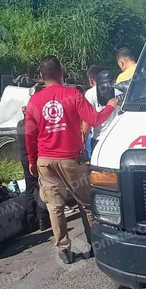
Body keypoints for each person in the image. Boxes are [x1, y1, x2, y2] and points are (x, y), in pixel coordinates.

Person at [25, 55, 118, 264]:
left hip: (45, 161)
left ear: (41, 76)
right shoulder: (73, 94)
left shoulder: (34, 101)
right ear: (61, 72)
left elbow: (29, 135)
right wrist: (110, 105)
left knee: (55, 206)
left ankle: (64, 249)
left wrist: (32, 161)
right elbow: (93, 120)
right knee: (85, 203)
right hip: (70, 160)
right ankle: (95, 243)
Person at [16, 105, 51, 232]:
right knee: (42, 187)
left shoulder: (20, 124)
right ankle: (42, 217)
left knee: (30, 189)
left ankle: (31, 219)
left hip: (25, 160)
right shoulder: (35, 123)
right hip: (36, 158)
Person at [83, 68, 122, 155]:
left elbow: (87, 121)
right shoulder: (120, 90)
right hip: (120, 138)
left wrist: (83, 144)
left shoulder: (90, 93)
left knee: (99, 167)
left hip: (100, 139)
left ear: (91, 80)